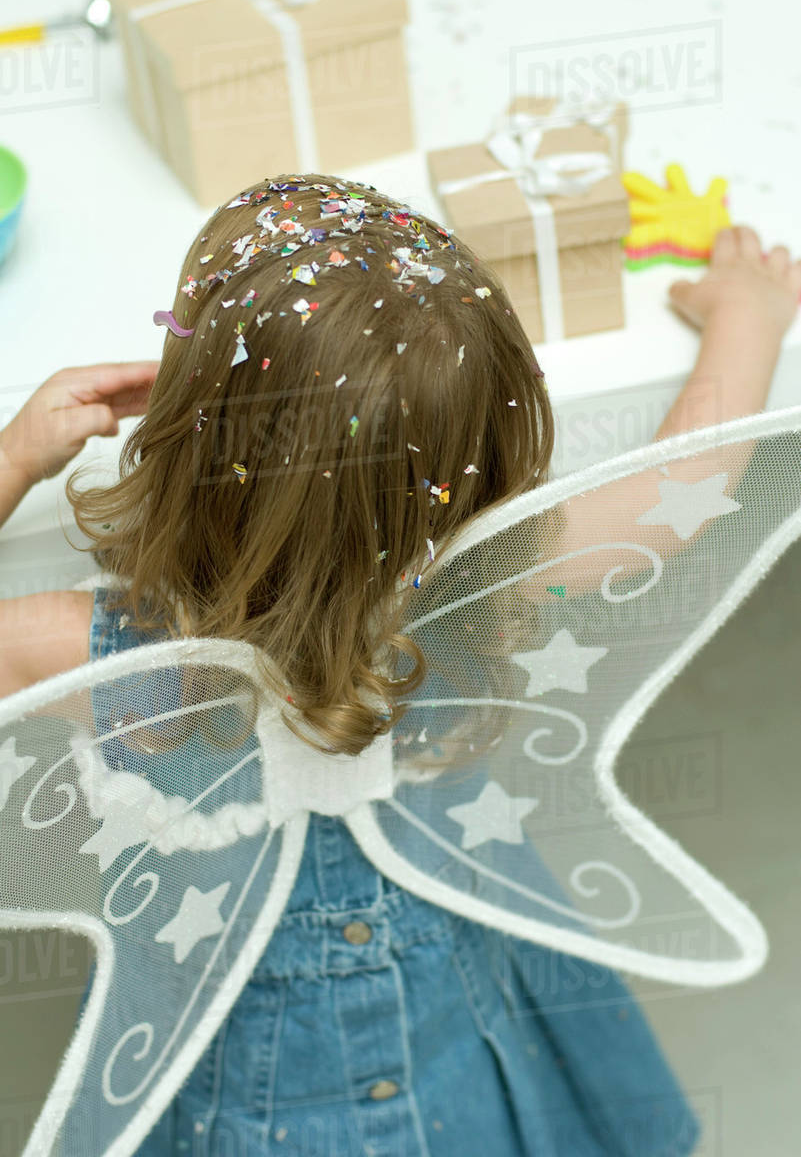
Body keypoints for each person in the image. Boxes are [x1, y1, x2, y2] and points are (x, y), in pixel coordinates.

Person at [0, 176, 798, 1156]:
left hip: (249, 1088)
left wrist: (15, 458)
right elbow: (681, 492)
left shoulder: (89, 652)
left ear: (190, 433)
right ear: (491, 463)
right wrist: (750, 318)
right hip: (455, 1022)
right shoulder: (491, 583)